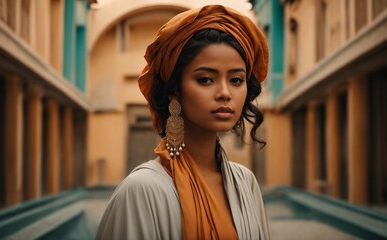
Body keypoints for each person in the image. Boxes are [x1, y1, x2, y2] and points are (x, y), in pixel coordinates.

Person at [96, 4, 270, 240]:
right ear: (174, 91)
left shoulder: (245, 182)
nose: (225, 93)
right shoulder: (142, 190)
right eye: (206, 79)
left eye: (237, 80)